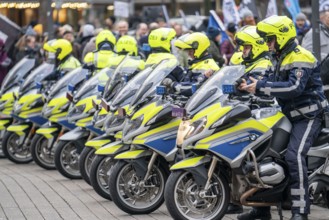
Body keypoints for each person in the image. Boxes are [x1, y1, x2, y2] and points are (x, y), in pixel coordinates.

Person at [238, 15, 328, 220]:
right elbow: (267, 80)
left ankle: (300, 212)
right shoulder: (277, 57)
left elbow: (294, 88)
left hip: (309, 116)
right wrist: (246, 84)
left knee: (294, 157)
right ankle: (261, 209)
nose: (268, 44)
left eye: (270, 39)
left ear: (281, 37)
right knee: (262, 153)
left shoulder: (300, 56)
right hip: (287, 115)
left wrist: (260, 86)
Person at [163, 32, 220, 97]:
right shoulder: (198, 63)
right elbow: (186, 78)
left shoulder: (208, 67)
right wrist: (169, 71)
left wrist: (172, 84)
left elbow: (193, 88)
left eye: (191, 51)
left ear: (198, 49)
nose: (188, 54)